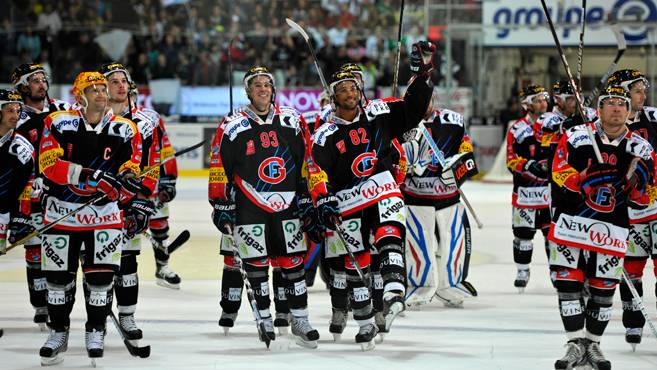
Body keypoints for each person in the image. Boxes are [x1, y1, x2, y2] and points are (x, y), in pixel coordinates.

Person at [309, 41, 435, 350]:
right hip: (348, 202)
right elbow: (315, 171)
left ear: (360, 89)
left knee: (390, 236)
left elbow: (414, 109)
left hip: (381, 190)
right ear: (333, 96)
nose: (350, 93)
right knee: (356, 264)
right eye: (343, 90)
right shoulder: (324, 133)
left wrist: (420, 71)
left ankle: (393, 292)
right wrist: (323, 199)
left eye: (354, 88)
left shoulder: (379, 111)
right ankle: (364, 320)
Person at [209, 65, 320, 348]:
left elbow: (308, 162)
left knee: (293, 264)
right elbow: (218, 164)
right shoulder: (232, 124)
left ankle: (300, 318)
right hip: (249, 206)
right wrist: (220, 202)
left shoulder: (292, 120)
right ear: (248, 91)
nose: (262, 89)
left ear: (273, 89)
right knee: (255, 266)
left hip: (288, 205)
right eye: (256, 85)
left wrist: (309, 198)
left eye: (266, 85)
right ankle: (265, 319)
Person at [37, 72, 143, 365]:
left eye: (102, 88)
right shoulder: (57, 122)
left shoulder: (125, 128)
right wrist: (93, 176)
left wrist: (129, 180)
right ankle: (58, 332)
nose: (100, 93)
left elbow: (131, 164)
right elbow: (48, 164)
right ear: (79, 95)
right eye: (93, 89)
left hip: (104, 217)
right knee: (57, 283)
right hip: (61, 215)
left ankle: (95, 331)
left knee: (100, 281)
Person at [548, 85, 654, 370]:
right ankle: (573, 343)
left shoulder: (642, 148)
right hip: (572, 223)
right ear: (599, 109)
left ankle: (593, 344)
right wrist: (581, 178)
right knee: (567, 282)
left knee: (603, 288)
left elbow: (646, 196)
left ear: (629, 111)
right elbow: (557, 170)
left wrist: (641, 186)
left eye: (622, 103)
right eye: (611, 103)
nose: (617, 108)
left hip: (612, 227)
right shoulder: (576, 136)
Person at [99, 62, 158, 341]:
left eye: (124, 80)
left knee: (127, 263)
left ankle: (127, 316)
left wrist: (143, 201)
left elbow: (152, 164)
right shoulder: (92, 118)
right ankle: (96, 319)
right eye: (114, 81)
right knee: (96, 265)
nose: (121, 85)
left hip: (128, 203)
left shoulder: (145, 124)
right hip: (97, 203)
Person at [401, 95, 479, 308]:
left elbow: (469, 157)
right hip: (414, 199)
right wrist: (404, 167)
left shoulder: (454, 121)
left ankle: (451, 286)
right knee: (417, 247)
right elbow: (389, 158)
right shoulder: (399, 122)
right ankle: (418, 287)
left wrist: (458, 169)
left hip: (448, 199)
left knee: (453, 245)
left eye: (427, 100)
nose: (423, 105)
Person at [11, 63, 70, 330]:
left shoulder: (62, 110)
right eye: (34, 80)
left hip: (60, 191)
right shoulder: (14, 115)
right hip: (29, 193)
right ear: (22, 86)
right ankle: (40, 303)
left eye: (43, 78)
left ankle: (60, 300)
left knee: (58, 247)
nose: (41, 83)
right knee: (34, 250)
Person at [606, 69, 657, 349]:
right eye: (637, 89)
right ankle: (633, 321)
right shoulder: (604, 127)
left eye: (643, 89)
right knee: (632, 270)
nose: (643, 94)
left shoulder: (654, 117)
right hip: (628, 214)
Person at [505, 84, 550, 292]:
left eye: (544, 99)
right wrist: (527, 165)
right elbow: (510, 160)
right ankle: (522, 270)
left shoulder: (554, 124)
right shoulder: (516, 129)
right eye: (538, 100)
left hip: (549, 194)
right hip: (525, 194)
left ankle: (556, 272)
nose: (543, 103)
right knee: (523, 236)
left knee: (553, 236)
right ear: (527, 104)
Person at [0, 89, 34, 258]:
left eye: (18, 111)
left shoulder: (21, 147)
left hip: (2, 215)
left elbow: (25, 185)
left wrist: (19, 216)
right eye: (10, 111)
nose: (15, 116)